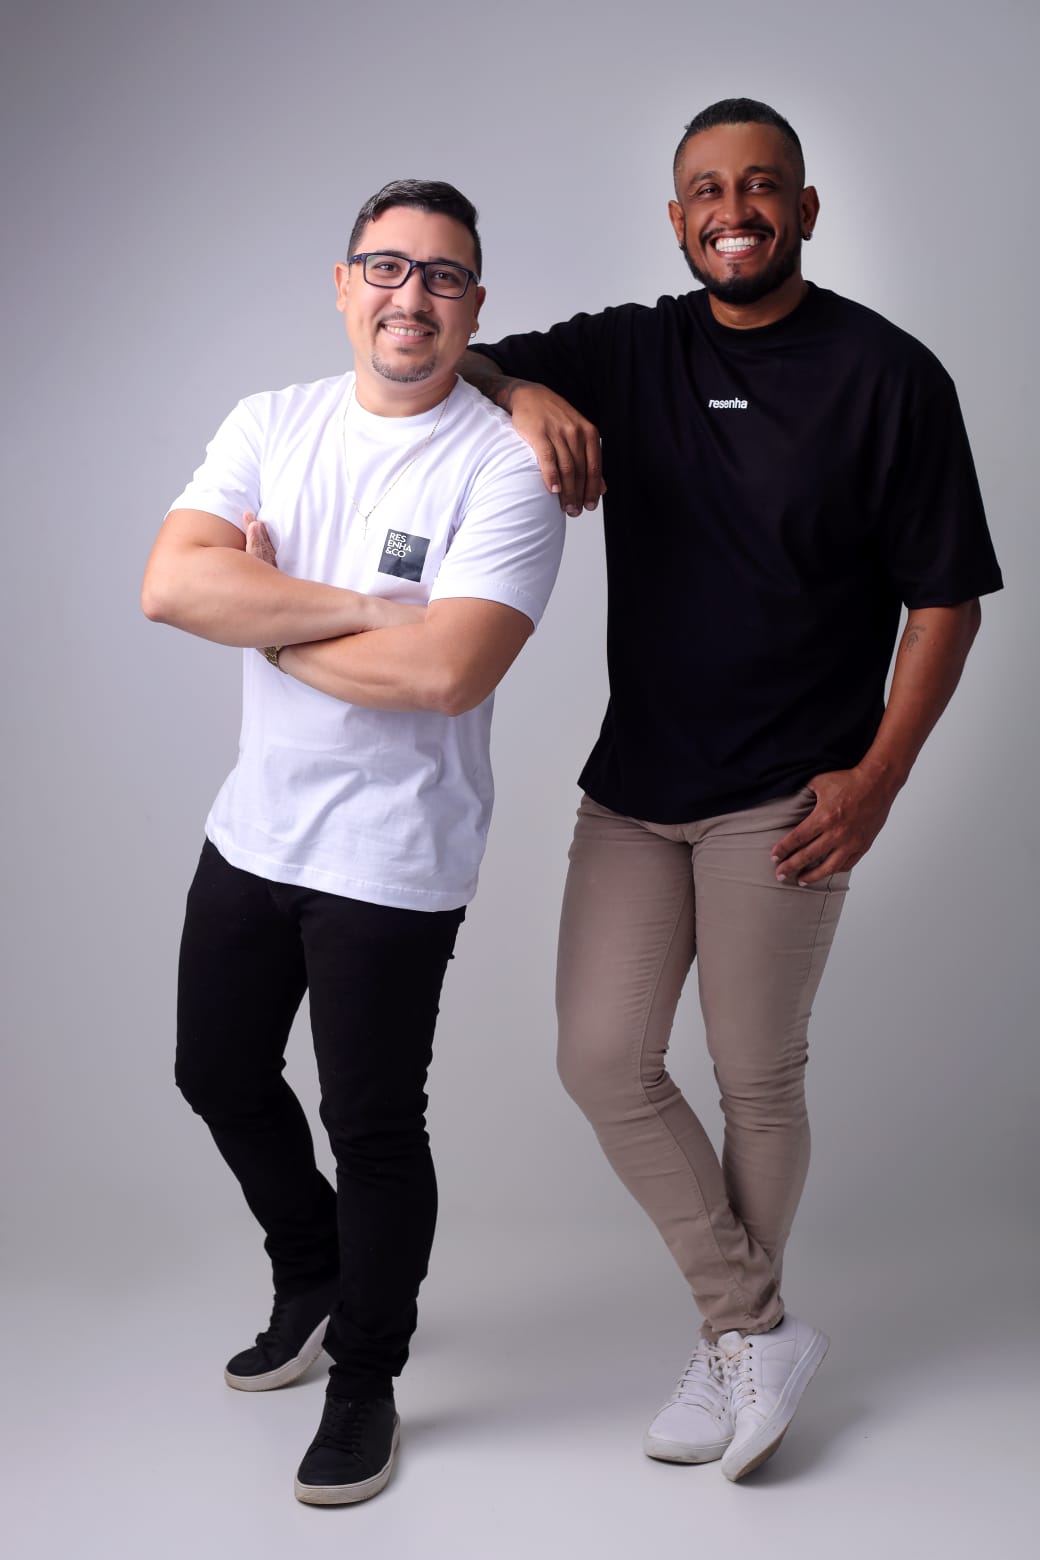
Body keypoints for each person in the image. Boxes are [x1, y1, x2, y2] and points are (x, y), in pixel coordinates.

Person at [462, 98, 1002, 1481]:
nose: (734, 209)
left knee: (756, 1073)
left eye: (762, 185)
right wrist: (525, 393)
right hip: (636, 787)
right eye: (707, 189)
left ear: (806, 209)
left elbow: (946, 600)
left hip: (791, 791)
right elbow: (458, 358)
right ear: (676, 217)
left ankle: (731, 1345)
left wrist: (880, 777)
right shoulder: (633, 350)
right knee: (603, 1059)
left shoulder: (891, 375)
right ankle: (753, 1328)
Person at [141, 180, 563, 1506]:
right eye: (387, 268)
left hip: (395, 854)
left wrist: (267, 612)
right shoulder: (271, 422)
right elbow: (171, 584)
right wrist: (376, 613)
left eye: (442, 276)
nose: (410, 297)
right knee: (215, 1071)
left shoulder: (506, 467)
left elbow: (450, 674)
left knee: (372, 1125)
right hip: (256, 828)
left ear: (475, 307)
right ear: (343, 286)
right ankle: (315, 1271)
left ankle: (367, 1376)